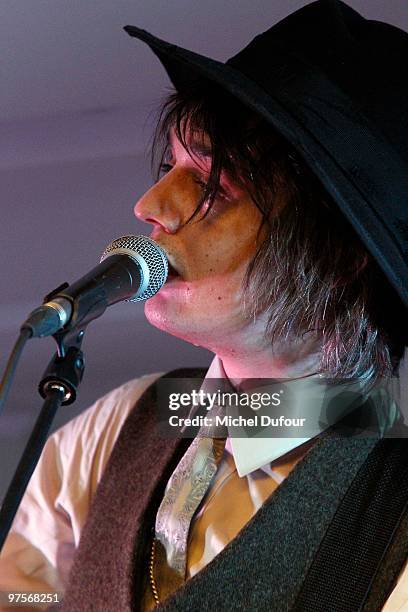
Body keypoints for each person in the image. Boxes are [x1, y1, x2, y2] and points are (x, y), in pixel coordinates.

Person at [0, 0, 407, 610]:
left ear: (343, 254)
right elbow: (20, 595)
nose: (149, 205)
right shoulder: (120, 427)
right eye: (171, 165)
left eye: (213, 186)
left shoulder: (392, 521)